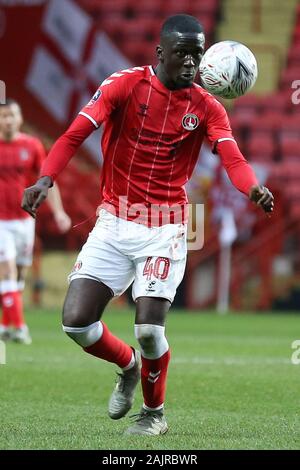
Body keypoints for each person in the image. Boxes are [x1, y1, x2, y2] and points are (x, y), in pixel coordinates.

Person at [22, 14, 274, 435]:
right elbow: (74, 134)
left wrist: (252, 188)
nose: (192, 63)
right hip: (114, 221)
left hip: (165, 227)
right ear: (161, 53)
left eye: (198, 54)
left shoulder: (207, 107)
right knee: (76, 323)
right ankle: (128, 366)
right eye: (183, 54)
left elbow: (232, 158)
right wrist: (45, 177)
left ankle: (154, 415)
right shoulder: (124, 84)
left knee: (149, 329)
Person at [0, 99, 71, 344]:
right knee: (7, 270)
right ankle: (19, 327)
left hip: (24, 221)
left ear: (19, 119)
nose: (7, 120)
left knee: (18, 274)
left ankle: (6, 324)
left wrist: (59, 212)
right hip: (1, 223)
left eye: (12, 115)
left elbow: (47, 181)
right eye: (3, 116)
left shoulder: (31, 146)